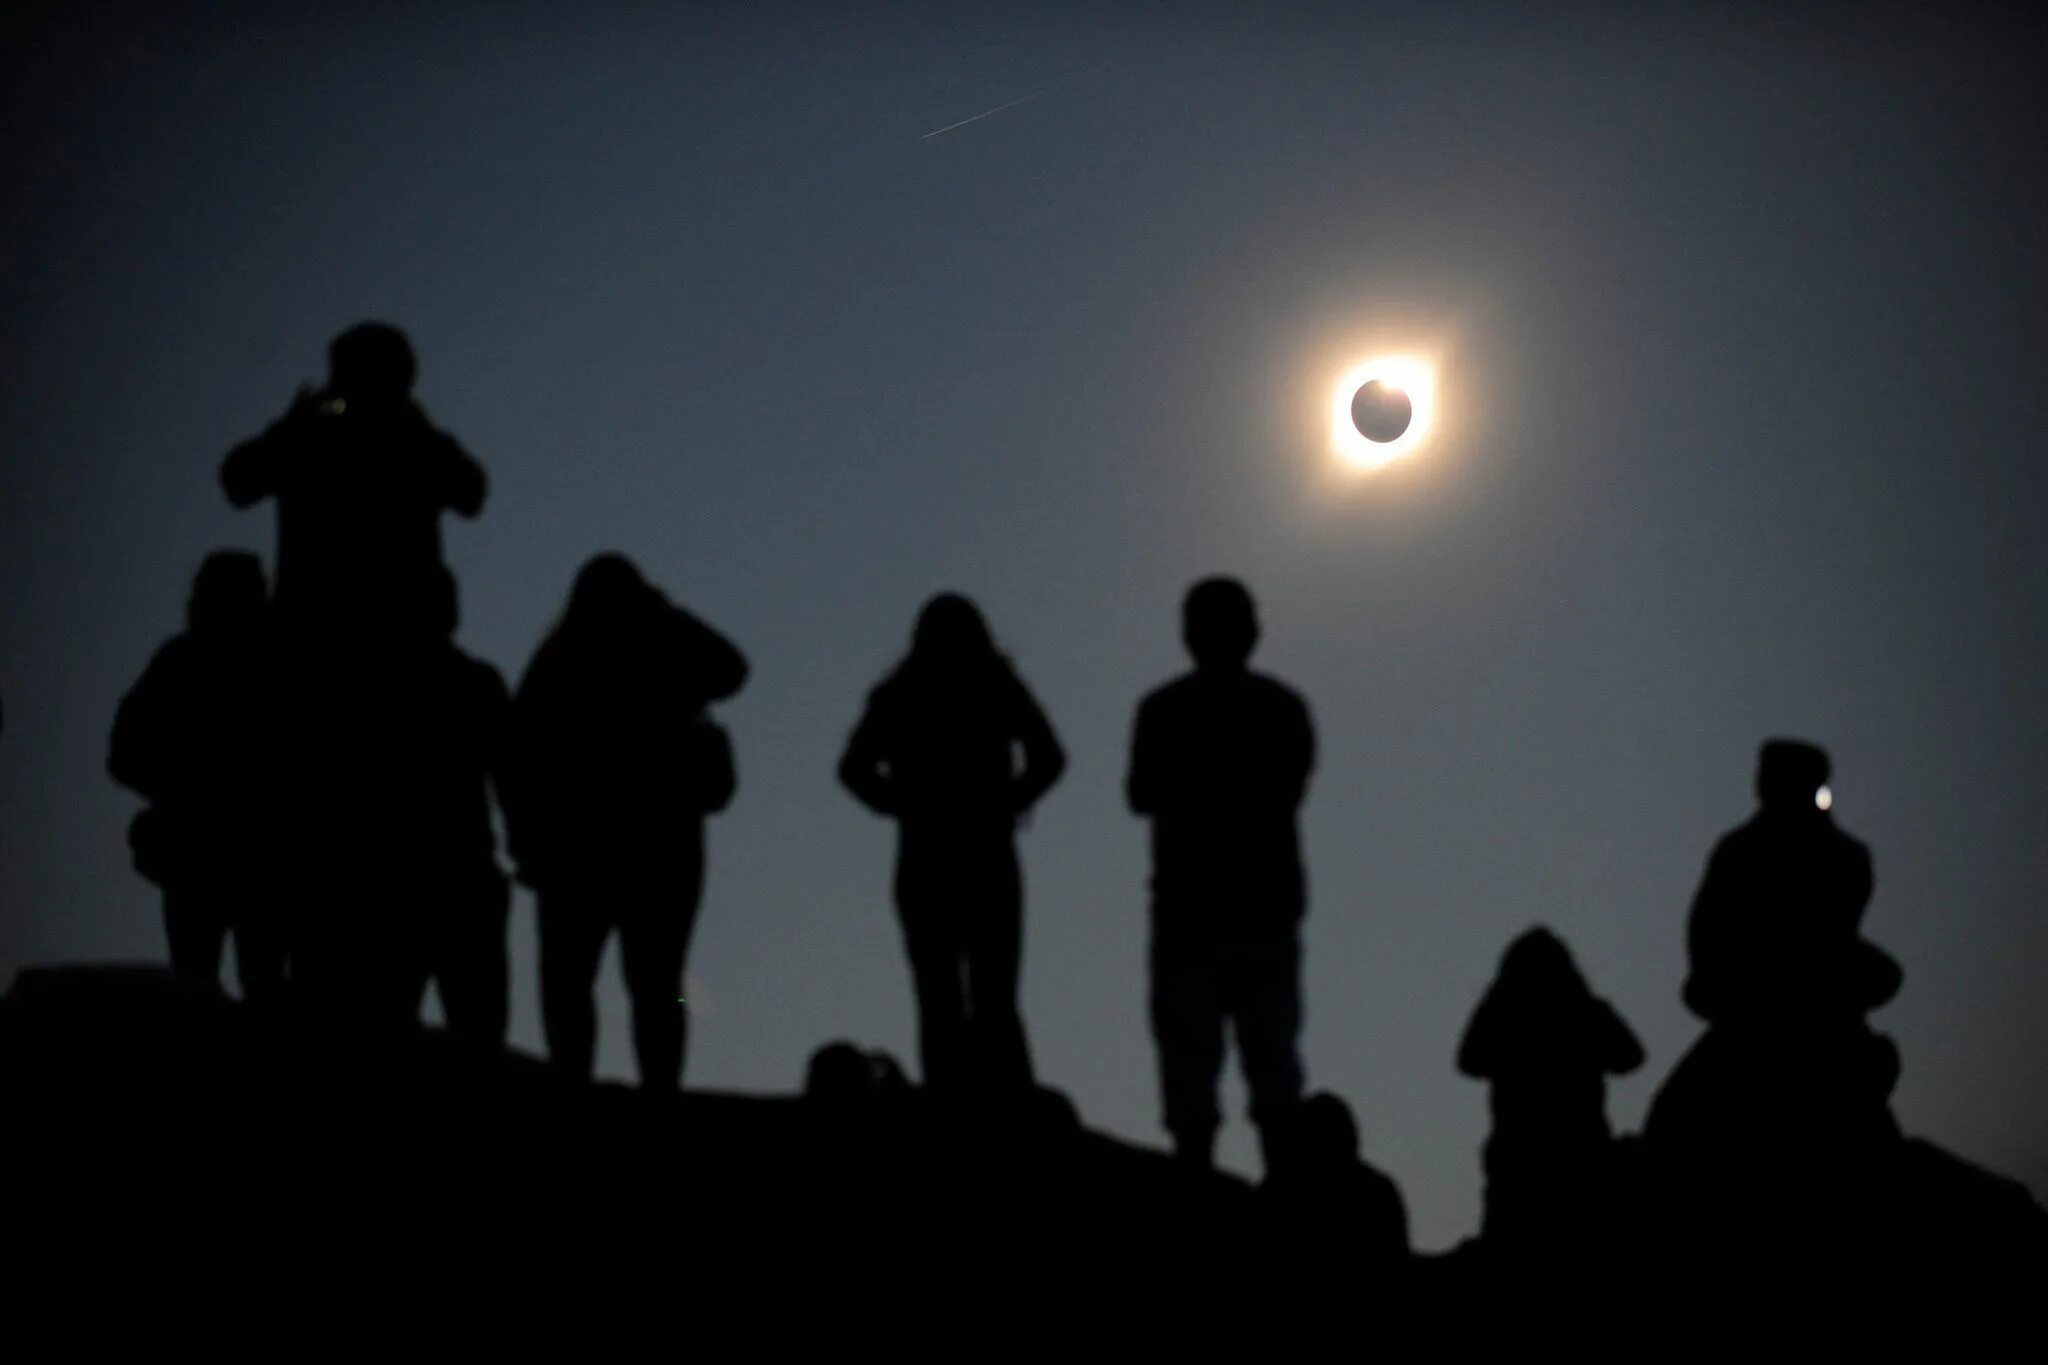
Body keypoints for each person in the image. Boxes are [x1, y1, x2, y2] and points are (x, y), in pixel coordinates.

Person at [500, 554, 746, 1090]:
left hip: (595, 848)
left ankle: (594, 1084)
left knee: (607, 981)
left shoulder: (560, 658)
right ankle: (645, 1089)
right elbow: (517, 755)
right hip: (637, 845)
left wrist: (524, 839)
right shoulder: (589, 656)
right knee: (642, 980)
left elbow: (732, 670)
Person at [838, 593, 1065, 1099]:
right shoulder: (991, 684)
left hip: (932, 854)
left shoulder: (905, 691)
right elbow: (1049, 755)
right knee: (987, 992)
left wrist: (903, 803)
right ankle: (1000, 1101)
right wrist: (1007, 802)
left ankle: (959, 1101)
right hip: (975, 853)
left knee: (946, 992)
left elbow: (853, 769)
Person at [1127, 576, 1314, 1172]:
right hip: (1258, 904)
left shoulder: (1163, 710)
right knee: (1267, 1055)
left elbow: (1141, 792)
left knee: (1195, 1056)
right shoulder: (1282, 707)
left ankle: (1201, 1182)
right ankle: (1273, 1184)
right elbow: (1292, 785)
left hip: (1195, 907)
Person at [221, 321, 485, 641]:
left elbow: (472, 493)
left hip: (387, 634)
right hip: (349, 633)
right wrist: (290, 429)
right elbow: (238, 482)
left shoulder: (409, 441)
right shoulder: (314, 436)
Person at [108, 551, 285, 997]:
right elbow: (123, 753)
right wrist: (179, 789)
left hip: (256, 853)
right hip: (201, 852)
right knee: (195, 986)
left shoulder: (273, 667)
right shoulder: (180, 663)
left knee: (256, 986)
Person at [1457, 928, 1643, 1248]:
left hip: (1521, 1164)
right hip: (1578, 1160)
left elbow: (1470, 1060)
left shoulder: (1506, 1015)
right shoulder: (1584, 1012)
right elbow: (1629, 1057)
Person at [403, 570, 513, 1045]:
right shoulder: (475, 682)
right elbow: (514, 774)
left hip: (420, 873)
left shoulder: (371, 688)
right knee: (478, 1029)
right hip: (452, 872)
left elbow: (513, 772)